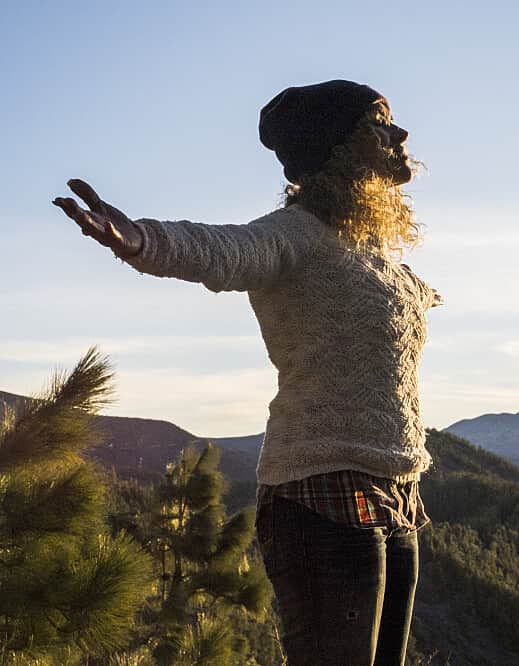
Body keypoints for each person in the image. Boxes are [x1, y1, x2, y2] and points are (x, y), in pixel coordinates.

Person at [52, 79, 440, 666]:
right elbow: (224, 249)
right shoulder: (296, 235)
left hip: (397, 493)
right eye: (379, 123)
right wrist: (141, 240)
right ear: (341, 148)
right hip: (321, 493)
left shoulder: (370, 250)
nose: (400, 134)